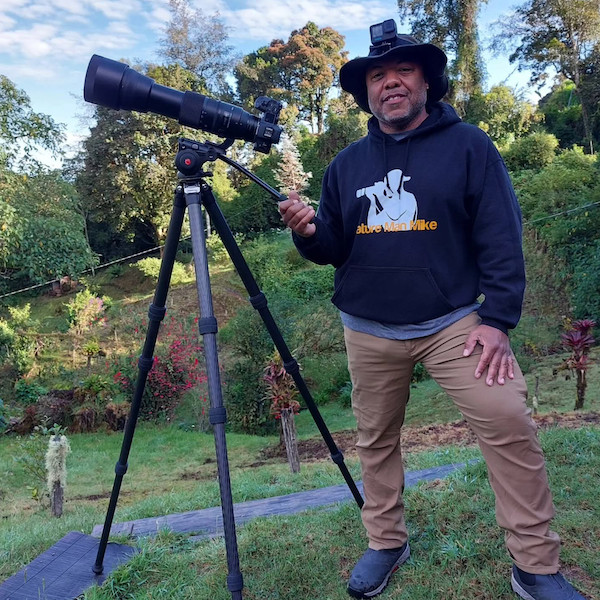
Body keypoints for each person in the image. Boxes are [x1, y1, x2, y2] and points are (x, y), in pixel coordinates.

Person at [278, 19, 587, 600]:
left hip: (455, 325)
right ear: (366, 93)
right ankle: (386, 542)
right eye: (378, 76)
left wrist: (498, 320)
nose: (390, 83)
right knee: (375, 439)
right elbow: (333, 247)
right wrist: (307, 231)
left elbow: (501, 235)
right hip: (368, 329)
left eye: (403, 71)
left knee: (508, 421)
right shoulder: (346, 165)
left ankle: (534, 565)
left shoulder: (470, 146)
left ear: (426, 83)